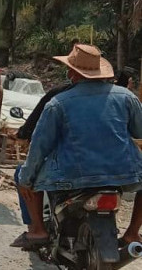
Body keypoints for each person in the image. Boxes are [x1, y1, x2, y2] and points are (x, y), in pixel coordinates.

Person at [11, 44, 142, 249]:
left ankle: (38, 230)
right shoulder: (127, 97)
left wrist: (26, 179)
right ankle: (133, 233)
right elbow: (139, 132)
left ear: (72, 73)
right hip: (124, 172)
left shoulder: (58, 102)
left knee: (23, 174)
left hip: (69, 175)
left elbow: (40, 147)